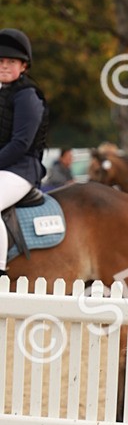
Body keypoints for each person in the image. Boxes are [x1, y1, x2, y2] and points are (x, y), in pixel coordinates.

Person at [0, 28, 48, 278]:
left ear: (23, 66)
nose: (4, 66)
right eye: (0, 61)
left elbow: (20, 143)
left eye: (11, 61)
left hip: (20, 170)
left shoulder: (27, 96)